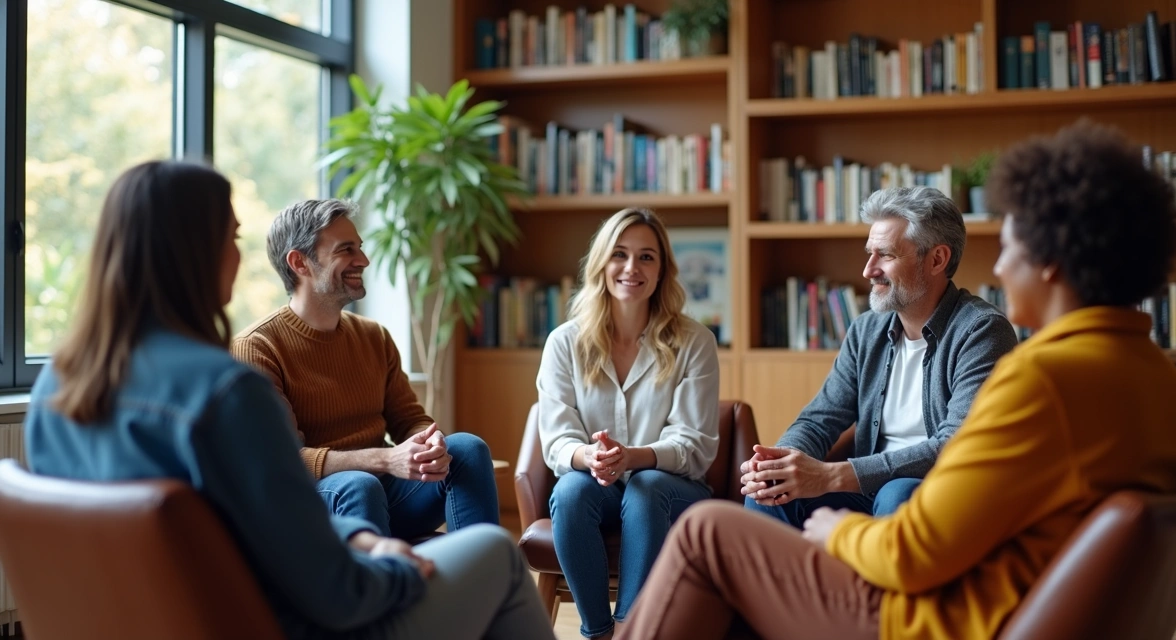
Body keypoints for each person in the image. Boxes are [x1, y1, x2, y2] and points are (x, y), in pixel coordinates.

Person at [617, 120, 1176, 640]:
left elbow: (915, 550)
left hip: (931, 617)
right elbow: (826, 417)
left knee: (706, 531)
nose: (997, 266)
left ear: (1050, 261)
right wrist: (786, 465)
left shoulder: (1041, 377)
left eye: (1011, 247)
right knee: (755, 514)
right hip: (987, 598)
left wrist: (834, 529)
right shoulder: (1164, 385)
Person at [23, 161, 555, 639]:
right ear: (193, 253)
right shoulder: (228, 391)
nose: (237, 253)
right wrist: (400, 569)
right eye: (230, 236)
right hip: (293, 622)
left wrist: (361, 540)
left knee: (458, 466)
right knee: (494, 555)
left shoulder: (57, 388)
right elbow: (338, 594)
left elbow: (232, 519)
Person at [743, 186, 1018, 521]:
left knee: (896, 493)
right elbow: (820, 419)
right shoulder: (866, 330)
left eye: (886, 255)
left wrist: (831, 475)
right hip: (863, 491)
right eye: (869, 253)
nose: (868, 270)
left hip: (939, 494)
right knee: (769, 494)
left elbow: (955, 444)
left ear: (937, 259)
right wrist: (783, 460)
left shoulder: (982, 331)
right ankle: (791, 576)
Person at [232, 199, 498, 540]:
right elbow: (283, 459)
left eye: (360, 247)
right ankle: (377, 589)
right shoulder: (257, 347)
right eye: (346, 250)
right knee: (359, 485)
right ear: (300, 263)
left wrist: (429, 443)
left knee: (467, 449)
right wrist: (386, 460)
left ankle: (485, 580)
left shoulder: (373, 336)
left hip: (386, 494)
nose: (364, 260)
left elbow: (409, 418)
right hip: (315, 502)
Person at [536, 207, 720, 639]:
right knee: (570, 490)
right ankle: (597, 630)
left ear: (662, 271)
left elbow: (694, 445)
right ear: (602, 263)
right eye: (619, 254)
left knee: (646, 485)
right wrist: (591, 456)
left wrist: (633, 458)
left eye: (646, 257)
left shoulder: (695, 341)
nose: (631, 268)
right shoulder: (565, 342)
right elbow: (558, 439)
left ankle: (632, 630)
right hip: (595, 482)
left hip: (673, 489)